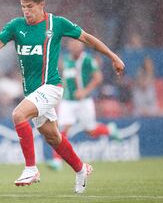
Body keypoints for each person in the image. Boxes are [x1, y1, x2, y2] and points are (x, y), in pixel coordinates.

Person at [0, 0, 125, 194]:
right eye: (23, 6)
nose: (26, 11)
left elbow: (87, 38)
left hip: (51, 87)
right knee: (54, 138)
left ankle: (31, 168)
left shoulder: (56, 24)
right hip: (33, 93)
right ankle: (81, 169)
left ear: (42, 5)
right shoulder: (16, 26)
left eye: (30, 6)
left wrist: (113, 56)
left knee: (18, 115)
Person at [48, 39, 120, 171]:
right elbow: (63, 80)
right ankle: (56, 161)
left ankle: (109, 130)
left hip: (84, 101)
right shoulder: (65, 60)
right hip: (67, 101)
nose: (75, 46)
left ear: (81, 46)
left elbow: (98, 77)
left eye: (77, 44)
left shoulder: (88, 60)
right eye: (72, 44)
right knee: (62, 130)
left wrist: (85, 91)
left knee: (91, 131)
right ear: (69, 46)